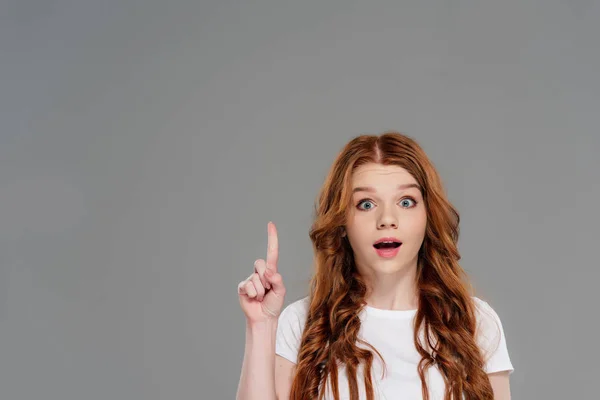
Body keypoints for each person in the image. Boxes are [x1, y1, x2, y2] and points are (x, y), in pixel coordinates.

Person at [236, 132, 514, 400]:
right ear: (342, 222)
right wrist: (261, 325)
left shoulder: (475, 321)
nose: (387, 219)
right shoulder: (302, 322)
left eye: (406, 202)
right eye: (366, 204)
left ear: (428, 216)